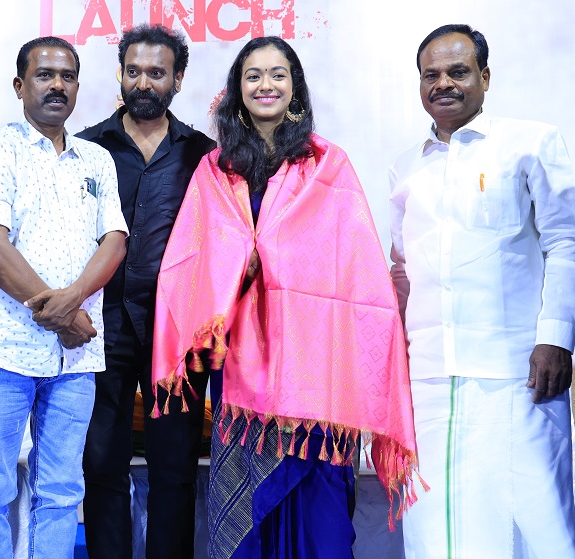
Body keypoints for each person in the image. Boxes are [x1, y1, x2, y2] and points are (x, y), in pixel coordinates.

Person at [151, 36, 420, 559]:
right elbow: (192, 258)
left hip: (316, 366)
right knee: (248, 515)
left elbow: (355, 267)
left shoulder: (327, 164)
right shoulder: (217, 168)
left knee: (320, 515)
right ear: (237, 89)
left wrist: (273, 254)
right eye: (253, 75)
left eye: (278, 74)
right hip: (242, 363)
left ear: (295, 86)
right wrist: (239, 263)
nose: (266, 85)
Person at [389, 24, 575, 558]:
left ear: (485, 77)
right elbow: (402, 269)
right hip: (428, 379)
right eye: (431, 75)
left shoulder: (530, 143)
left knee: (533, 525)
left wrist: (555, 338)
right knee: (436, 528)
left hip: (517, 374)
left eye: (458, 71)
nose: (443, 84)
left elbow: (565, 241)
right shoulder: (407, 166)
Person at [0, 36, 128, 559]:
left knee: (61, 492)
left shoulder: (96, 159)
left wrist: (73, 300)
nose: (57, 85)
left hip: (77, 357)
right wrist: (60, 316)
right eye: (44, 75)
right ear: (19, 86)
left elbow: (115, 240)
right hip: (4, 349)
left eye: (67, 76)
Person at [77, 24, 215, 559]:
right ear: (120, 75)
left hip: (177, 336)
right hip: (100, 328)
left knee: (175, 469)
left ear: (177, 80)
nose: (143, 82)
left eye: (156, 73)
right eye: (133, 71)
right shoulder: (87, 147)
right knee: (101, 463)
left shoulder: (203, 156)